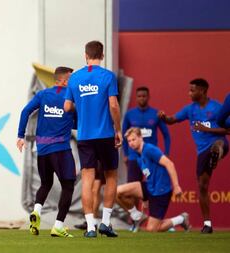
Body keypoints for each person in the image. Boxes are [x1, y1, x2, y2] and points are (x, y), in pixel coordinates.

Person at [64, 40, 122, 238]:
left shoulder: (74, 78)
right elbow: (113, 105)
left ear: (85, 55)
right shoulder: (108, 76)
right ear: (102, 55)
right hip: (106, 134)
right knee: (111, 176)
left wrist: (82, 107)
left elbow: (67, 107)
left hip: (85, 135)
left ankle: (90, 227)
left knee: (87, 179)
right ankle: (105, 222)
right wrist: (119, 130)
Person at [158, 78, 229, 233]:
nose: (189, 93)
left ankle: (217, 153)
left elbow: (227, 130)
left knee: (217, 145)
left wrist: (206, 129)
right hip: (202, 152)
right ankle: (208, 224)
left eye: (192, 90)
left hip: (219, 142)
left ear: (202, 90)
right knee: (202, 187)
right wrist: (164, 118)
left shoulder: (217, 108)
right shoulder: (190, 110)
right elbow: (172, 120)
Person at [17, 66, 76, 237]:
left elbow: (25, 111)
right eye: (71, 79)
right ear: (64, 80)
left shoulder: (43, 94)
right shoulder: (70, 98)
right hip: (61, 149)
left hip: (42, 149)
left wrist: (21, 135)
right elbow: (78, 123)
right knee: (68, 186)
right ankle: (58, 225)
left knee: (45, 183)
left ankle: (36, 210)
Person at [116, 127, 190, 232]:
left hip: (161, 191)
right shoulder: (138, 155)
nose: (131, 143)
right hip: (150, 186)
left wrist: (176, 186)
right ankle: (137, 216)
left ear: (141, 138)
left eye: (133, 139)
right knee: (117, 192)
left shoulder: (150, 149)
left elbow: (169, 164)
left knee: (152, 229)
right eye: (129, 141)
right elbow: (148, 174)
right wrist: (145, 199)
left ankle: (181, 219)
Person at [122, 86, 170, 231]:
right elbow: (124, 136)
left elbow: (167, 135)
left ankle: (154, 220)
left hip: (151, 159)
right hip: (133, 158)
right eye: (139, 96)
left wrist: (166, 153)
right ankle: (134, 221)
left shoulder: (155, 114)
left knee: (152, 189)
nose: (141, 98)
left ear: (148, 97)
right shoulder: (130, 115)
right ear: (136, 98)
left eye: (144, 96)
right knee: (131, 191)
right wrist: (125, 153)